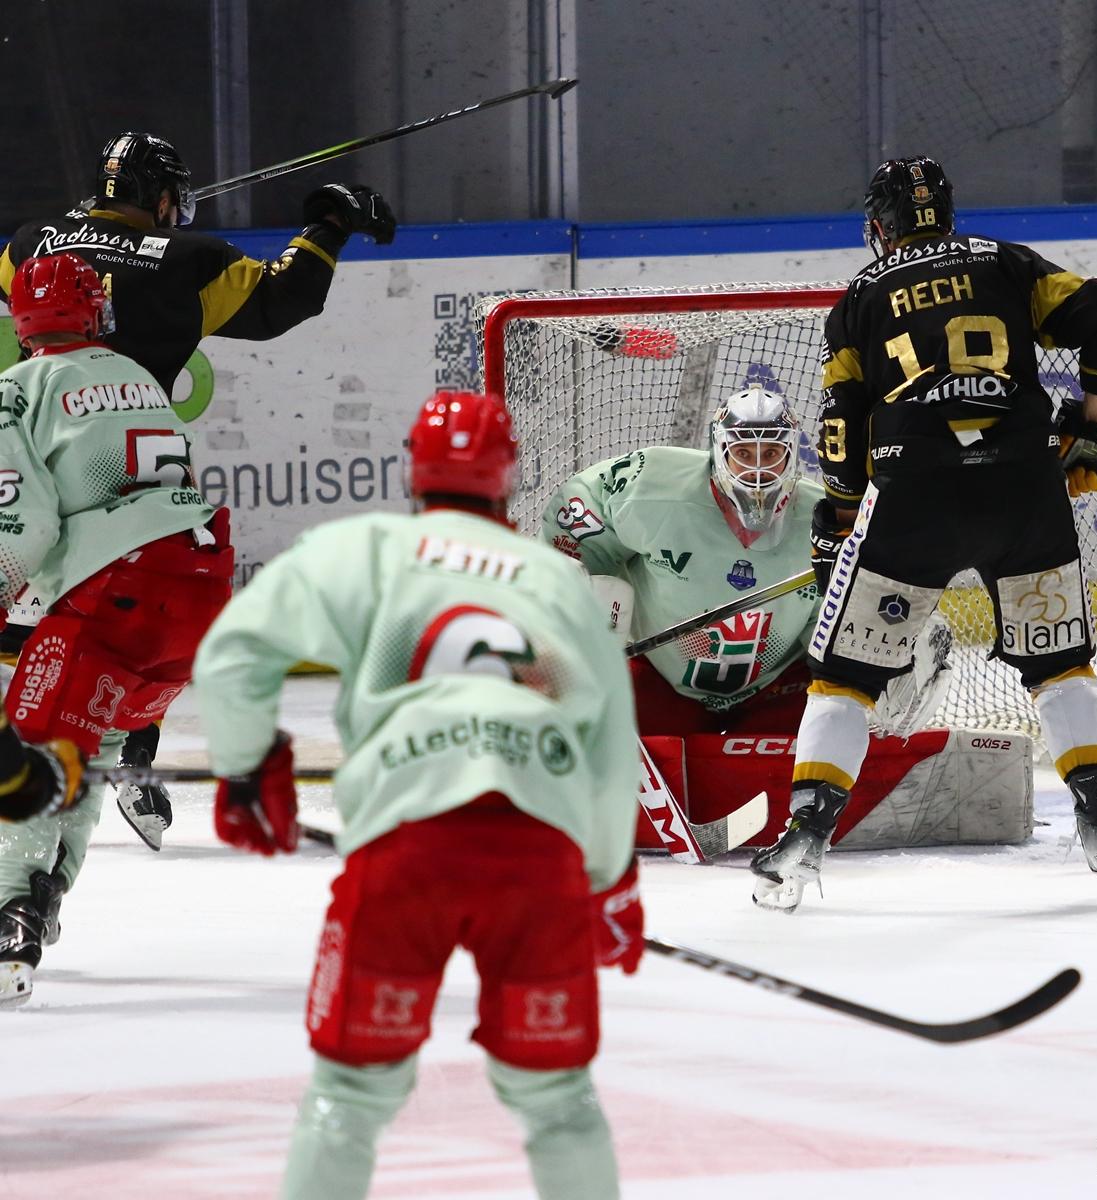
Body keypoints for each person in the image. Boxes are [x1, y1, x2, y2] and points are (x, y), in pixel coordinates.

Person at [191, 391, 641, 1200]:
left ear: (414, 469)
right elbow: (610, 745)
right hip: (537, 853)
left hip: (405, 849)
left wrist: (248, 764)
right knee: (558, 1099)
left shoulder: (363, 549)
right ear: (508, 474)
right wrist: (609, 881)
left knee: (349, 1094)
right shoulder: (557, 580)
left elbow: (232, 653)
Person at [750, 155, 1097, 911]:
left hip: (915, 495)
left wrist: (839, 519)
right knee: (1059, 664)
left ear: (880, 227)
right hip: (1024, 487)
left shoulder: (860, 296)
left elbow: (840, 425)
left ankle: (804, 835)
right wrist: (1091, 427)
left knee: (844, 679)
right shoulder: (1007, 262)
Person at [0, 131, 395, 850]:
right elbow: (282, 301)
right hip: (133, 450)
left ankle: (55, 756)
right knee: (143, 593)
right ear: (160, 197)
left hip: (40, 435)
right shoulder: (190, 260)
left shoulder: (33, 242)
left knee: (30, 587)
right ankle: (127, 747)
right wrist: (329, 225)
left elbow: (38, 278)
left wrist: (87, 230)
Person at [542, 384, 952, 853]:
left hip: (776, 687)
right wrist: (576, 589)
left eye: (771, 453)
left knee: (841, 721)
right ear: (719, 452)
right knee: (584, 716)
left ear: (791, 457)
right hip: (661, 678)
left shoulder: (829, 521)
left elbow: (858, 610)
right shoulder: (649, 485)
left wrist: (891, 655)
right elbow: (574, 513)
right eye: (743, 453)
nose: (757, 468)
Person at [0, 252, 234, 1008]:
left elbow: (24, 522)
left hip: (117, 593)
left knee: (30, 746)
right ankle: (40, 900)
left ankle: (11, 918)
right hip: (199, 586)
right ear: (95, 313)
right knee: (89, 749)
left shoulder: (19, 389)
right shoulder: (138, 377)